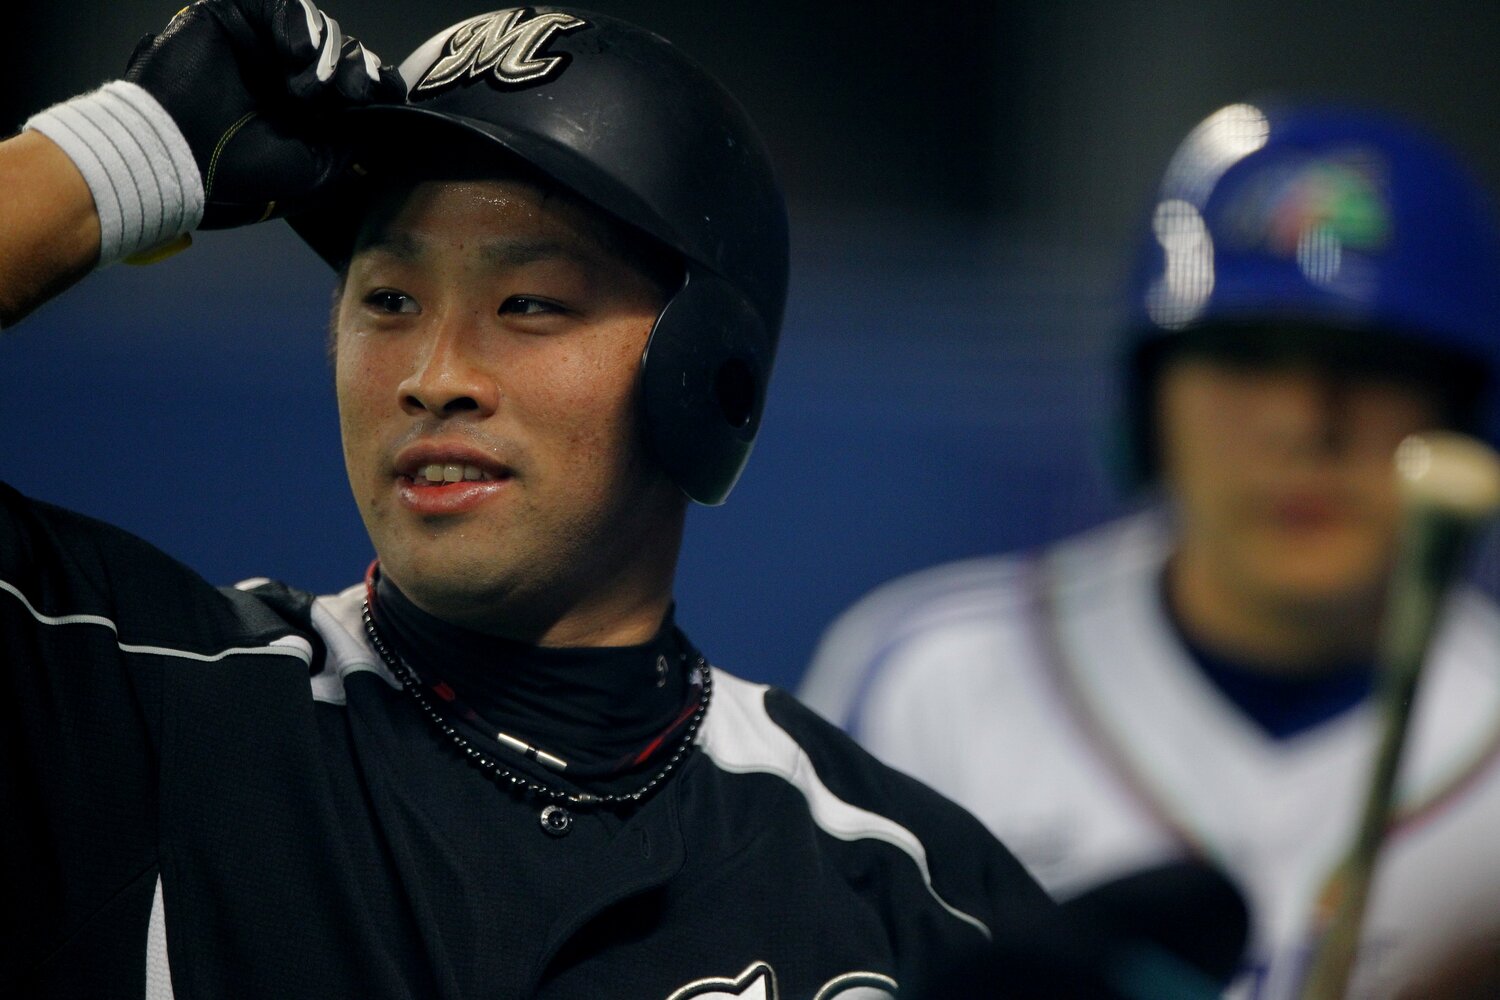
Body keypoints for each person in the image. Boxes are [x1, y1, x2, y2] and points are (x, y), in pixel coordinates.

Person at [0, 3, 1062, 997]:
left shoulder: (907, 899)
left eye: (528, 303)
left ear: (706, 374)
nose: (435, 371)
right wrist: (119, 149)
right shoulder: (131, 702)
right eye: (389, 300)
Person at [800, 101, 1500, 1000]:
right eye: (1246, 357)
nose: (1303, 424)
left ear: (1460, 413)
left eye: (1371, 364)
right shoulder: (930, 679)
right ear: (1147, 404)